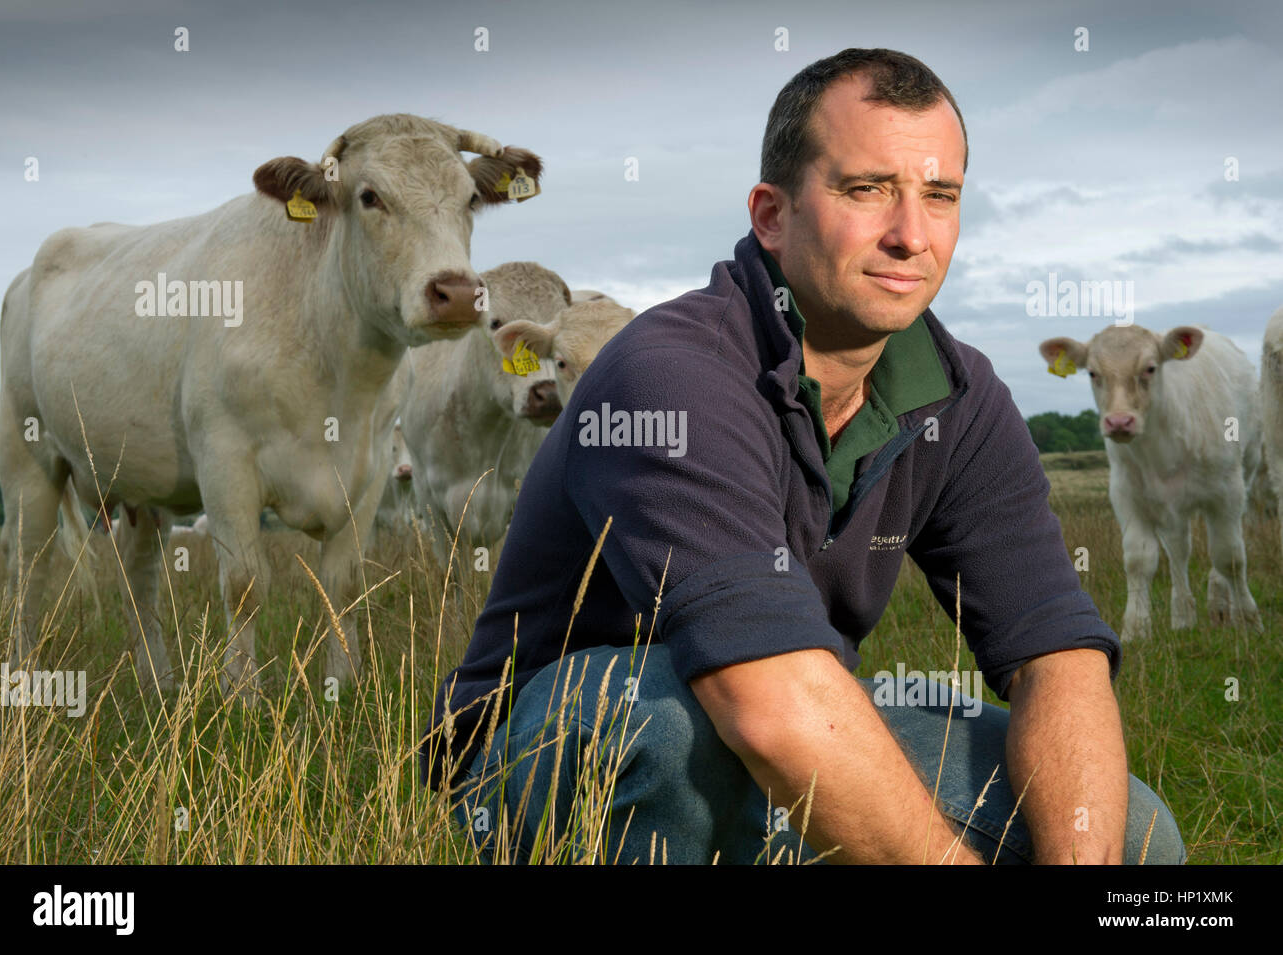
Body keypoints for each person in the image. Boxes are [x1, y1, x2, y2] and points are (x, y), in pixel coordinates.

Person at [423, 47, 1185, 865]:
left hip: (778, 722)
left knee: (1130, 832)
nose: (910, 235)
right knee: (674, 726)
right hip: (547, 751)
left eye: (940, 196)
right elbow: (763, 700)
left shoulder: (958, 395)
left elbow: (1058, 655)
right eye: (867, 190)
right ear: (771, 215)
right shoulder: (672, 376)